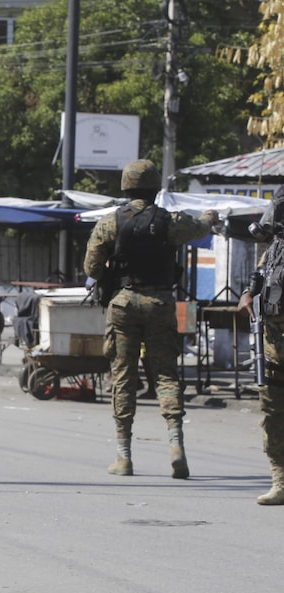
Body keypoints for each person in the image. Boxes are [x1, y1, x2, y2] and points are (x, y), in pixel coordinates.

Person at [83, 158, 217, 479]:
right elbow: (200, 227)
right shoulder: (169, 221)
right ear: (156, 187)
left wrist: (111, 275)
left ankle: (124, 456)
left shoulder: (110, 223)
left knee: (124, 376)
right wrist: (210, 215)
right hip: (160, 301)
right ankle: (176, 448)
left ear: (126, 187)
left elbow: (91, 267)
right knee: (166, 375)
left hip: (123, 304)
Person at [238, 189, 284, 505]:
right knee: (272, 413)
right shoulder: (275, 248)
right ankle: (280, 482)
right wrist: (247, 294)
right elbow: (260, 277)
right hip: (273, 346)